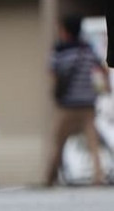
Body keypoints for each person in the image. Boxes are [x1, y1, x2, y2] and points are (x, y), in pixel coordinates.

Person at [45, 15, 110, 187]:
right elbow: (101, 71)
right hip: (88, 104)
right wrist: (101, 90)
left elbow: (53, 75)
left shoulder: (59, 51)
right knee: (93, 142)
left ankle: (50, 178)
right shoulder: (88, 50)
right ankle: (98, 176)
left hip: (67, 105)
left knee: (58, 142)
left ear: (64, 30)